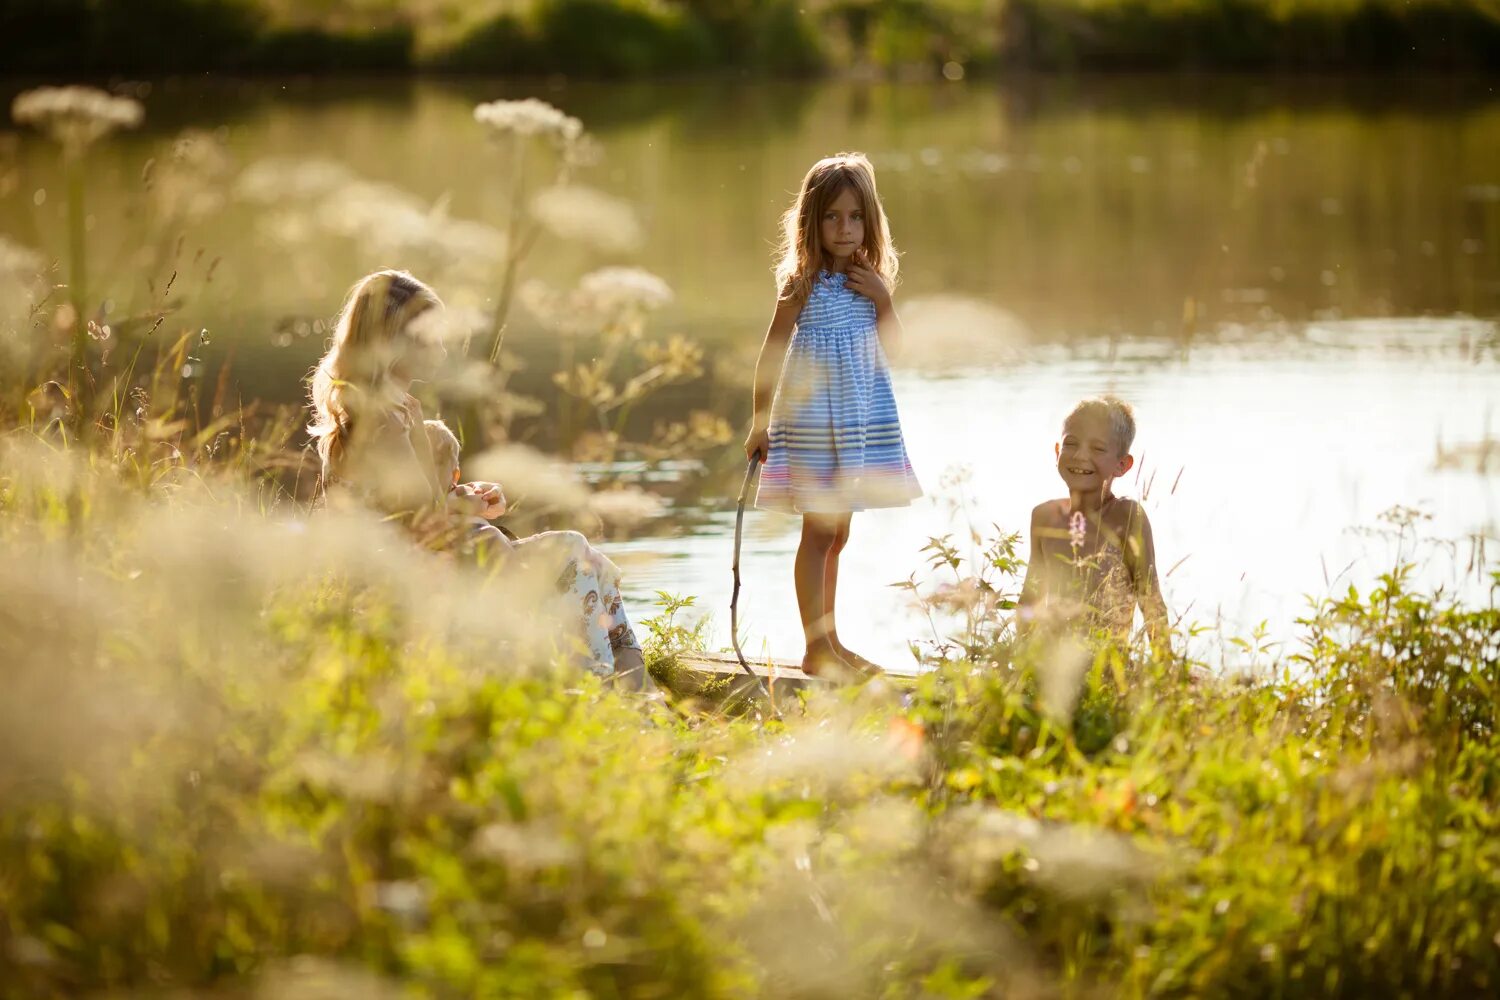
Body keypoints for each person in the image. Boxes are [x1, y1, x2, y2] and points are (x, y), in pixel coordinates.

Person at [307, 269, 652, 691]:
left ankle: (629, 688)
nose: (441, 344)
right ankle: (598, 689)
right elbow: (413, 520)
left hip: (435, 557)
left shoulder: (401, 407)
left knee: (582, 555)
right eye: (429, 334)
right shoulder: (382, 417)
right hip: (410, 571)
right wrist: (466, 507)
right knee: (573, 554)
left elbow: (422, 503)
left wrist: (463, 496)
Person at [745, 153, 923, 680]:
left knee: (839, 534)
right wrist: (759, 421)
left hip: (860, 422)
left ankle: (831, 641)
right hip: (814, 423)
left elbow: (898, 352)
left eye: (854, 217)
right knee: (818, 533)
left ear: (869, 221)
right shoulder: (801, 283)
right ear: (811, 222)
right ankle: (815, 647)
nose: (843, 228)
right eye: (831, 217)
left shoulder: (871, 282)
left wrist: (885, 302)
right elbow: (770, 353)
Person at [1017, 395, 1169, 650]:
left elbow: (1151, 603)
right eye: (1071, 443)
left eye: (1098, 448)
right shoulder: (1043, 517)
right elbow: (1030, 601)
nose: (1080, 455)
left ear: (1122, 465)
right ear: (1057, 452)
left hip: (1108, 668)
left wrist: (1166, 673)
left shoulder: (1128, 517)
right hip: (1052, 668)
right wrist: (1018, 666)